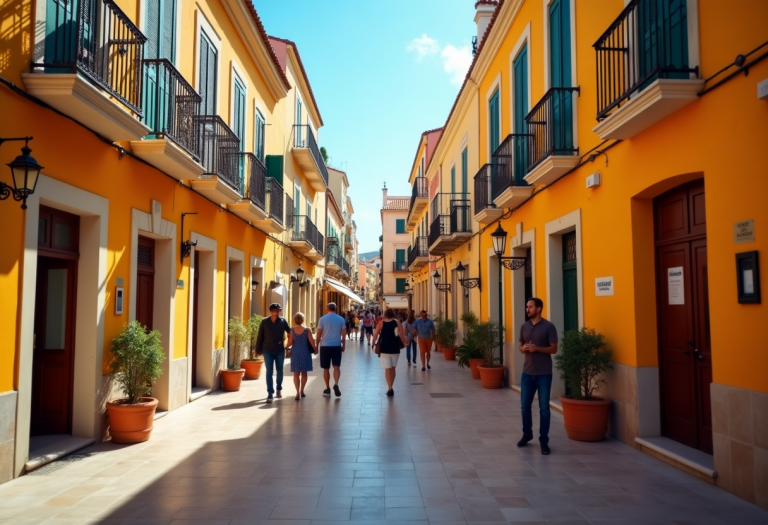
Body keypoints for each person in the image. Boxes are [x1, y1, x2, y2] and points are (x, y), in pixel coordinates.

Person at [518, 297, 558, 455]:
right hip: (527, 373)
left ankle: (544, 441)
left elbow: (554, 349)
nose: (527, 309)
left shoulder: (549, 326)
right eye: (527, 307)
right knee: (525, 407)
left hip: (544, 374)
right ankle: (527, 434)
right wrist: (525, 349)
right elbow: (520, 346)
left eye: (530, 307)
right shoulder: (524, 326)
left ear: (539, 308)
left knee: (544, 409)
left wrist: (537, 349)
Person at [255, 303, 291, 403]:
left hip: (279, 350)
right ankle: (270, 393)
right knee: (269, 372)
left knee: (280, 370)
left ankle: (279, 388)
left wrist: (289, 343)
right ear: (270, 311)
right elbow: (260, 336)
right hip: (267, 350)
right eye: (274, 310)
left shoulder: (283, 321)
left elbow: (290, 332)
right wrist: (257, 350)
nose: (276, 312)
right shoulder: (264, 322)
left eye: (278, 310)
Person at [372, 308, 407, 396]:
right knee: (393, 368)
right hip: (395, 348)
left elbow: (376, 334)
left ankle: (390, 387)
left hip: (384, 349)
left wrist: (373, 343)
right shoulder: (397, 322)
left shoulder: (381, 323)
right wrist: (404, 343)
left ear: (385, 314)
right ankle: (391, 386)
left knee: (387, 368)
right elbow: (402, 335)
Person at [316, 302, 347, 397]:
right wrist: (343, 345)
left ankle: (327, 389)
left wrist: (316, 346)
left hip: (325, 346)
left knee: (326, 368)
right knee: (336, 366)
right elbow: (344, 334)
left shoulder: (322, 319)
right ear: (336, 309)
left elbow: (319, 334)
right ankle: (336, 384)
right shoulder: (341, 319)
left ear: (327, 308)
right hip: (336, 345)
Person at [287, 312, 317, 400]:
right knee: (304, 372)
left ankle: (297, 393)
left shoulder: (292, 330)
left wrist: (284, 346)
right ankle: (302, 391)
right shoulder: (307, 330)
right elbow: (311, 341)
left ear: (294, 320)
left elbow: (290, 342)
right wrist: (315, 349)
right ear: (303, 320)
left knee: (296, 373)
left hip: (295, 352)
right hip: (305, 352)